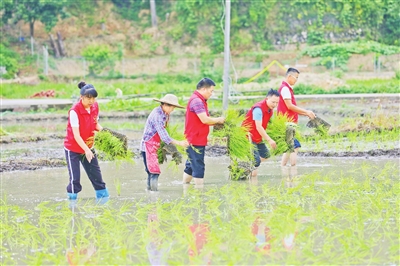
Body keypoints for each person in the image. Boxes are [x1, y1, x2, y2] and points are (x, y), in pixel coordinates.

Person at [64, 81, 109, 202]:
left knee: (97, 176)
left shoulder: (95, 106)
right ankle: (72, 205)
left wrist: (105, 133)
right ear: (81, 97)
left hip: (88, 146)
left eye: (93, 98)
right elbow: (76, 135)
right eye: (88, 98)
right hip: (73, 148)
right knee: (75, 179)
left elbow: (95, 124)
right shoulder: (74, 111)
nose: (91, 101)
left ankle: (104, 202)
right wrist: (86, 150)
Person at [141, 94, 189, 191]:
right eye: (173, 107)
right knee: (153, 172)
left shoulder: (163, 113)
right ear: (166, 105)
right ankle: (153, 194)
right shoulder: (158, 116)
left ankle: (150, 192)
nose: (173, 110)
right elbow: (164, 137)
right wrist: (179, 143)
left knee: (151, 171)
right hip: (148, 146)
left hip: (154, 145)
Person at [182, 78, 225, 186]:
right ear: (204, 89)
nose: (212, 93)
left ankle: (185, 188)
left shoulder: (199, 100)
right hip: (195, 139)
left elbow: (203, 121)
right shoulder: (197, 101)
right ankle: (199, 195)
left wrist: (216, 123)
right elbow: (205, 119)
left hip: (194, 138)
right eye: (211, 91)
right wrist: (218, 120)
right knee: (198, 166)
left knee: (191, 166)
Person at [277, 68, 316, 166]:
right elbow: (290, 106)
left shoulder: (287, 88)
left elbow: (291, 108)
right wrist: (306, 112)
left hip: (289, 123)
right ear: (289, 76)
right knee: (295, 146)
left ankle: (283, 167)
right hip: (287, 123)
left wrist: (306, 113)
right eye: (296, 78)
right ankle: (293, 170)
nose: (296, 80)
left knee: (289, 147)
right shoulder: (285, 88)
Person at [242, 89, 280, 177]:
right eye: (273, 102)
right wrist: (269, 140)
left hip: (257, 137)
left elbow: (268, 124)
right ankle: (252, 183)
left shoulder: (270, 110)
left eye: (277, 103)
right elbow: (258, 126)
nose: (275, 105)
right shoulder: (258, 109)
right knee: (256, 162)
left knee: (266, 155)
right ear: (267, 99)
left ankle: (245, 169)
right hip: (248, 136)